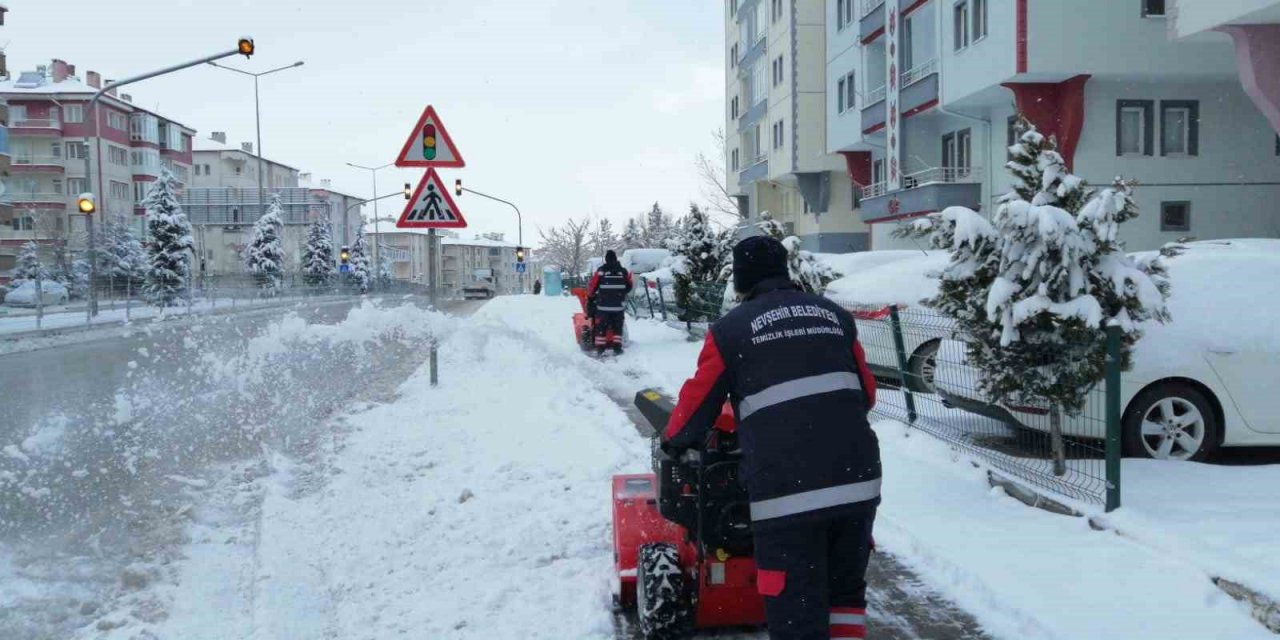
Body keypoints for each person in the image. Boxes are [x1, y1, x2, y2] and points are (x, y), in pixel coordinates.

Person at [662, 236, 880, 640]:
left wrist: (674, 441)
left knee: (796, 608)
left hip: (787, 493)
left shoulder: (731, 331)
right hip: (857, 482)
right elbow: (867, 394)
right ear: (784, 269)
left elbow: (698, 405)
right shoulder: (834, 316)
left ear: (741, 280)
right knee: (844, 597)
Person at [587, 250, 633, 355]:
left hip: (603, 307)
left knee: (601, 327)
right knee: (618, 326)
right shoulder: (623, 271)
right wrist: (620, 294)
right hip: (618, 307)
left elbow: (592, 286)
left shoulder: (601, 271)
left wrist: (591, 296)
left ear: (606, 259)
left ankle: (600, 348)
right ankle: (617, 347)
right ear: (616, 259)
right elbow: (629, 286)